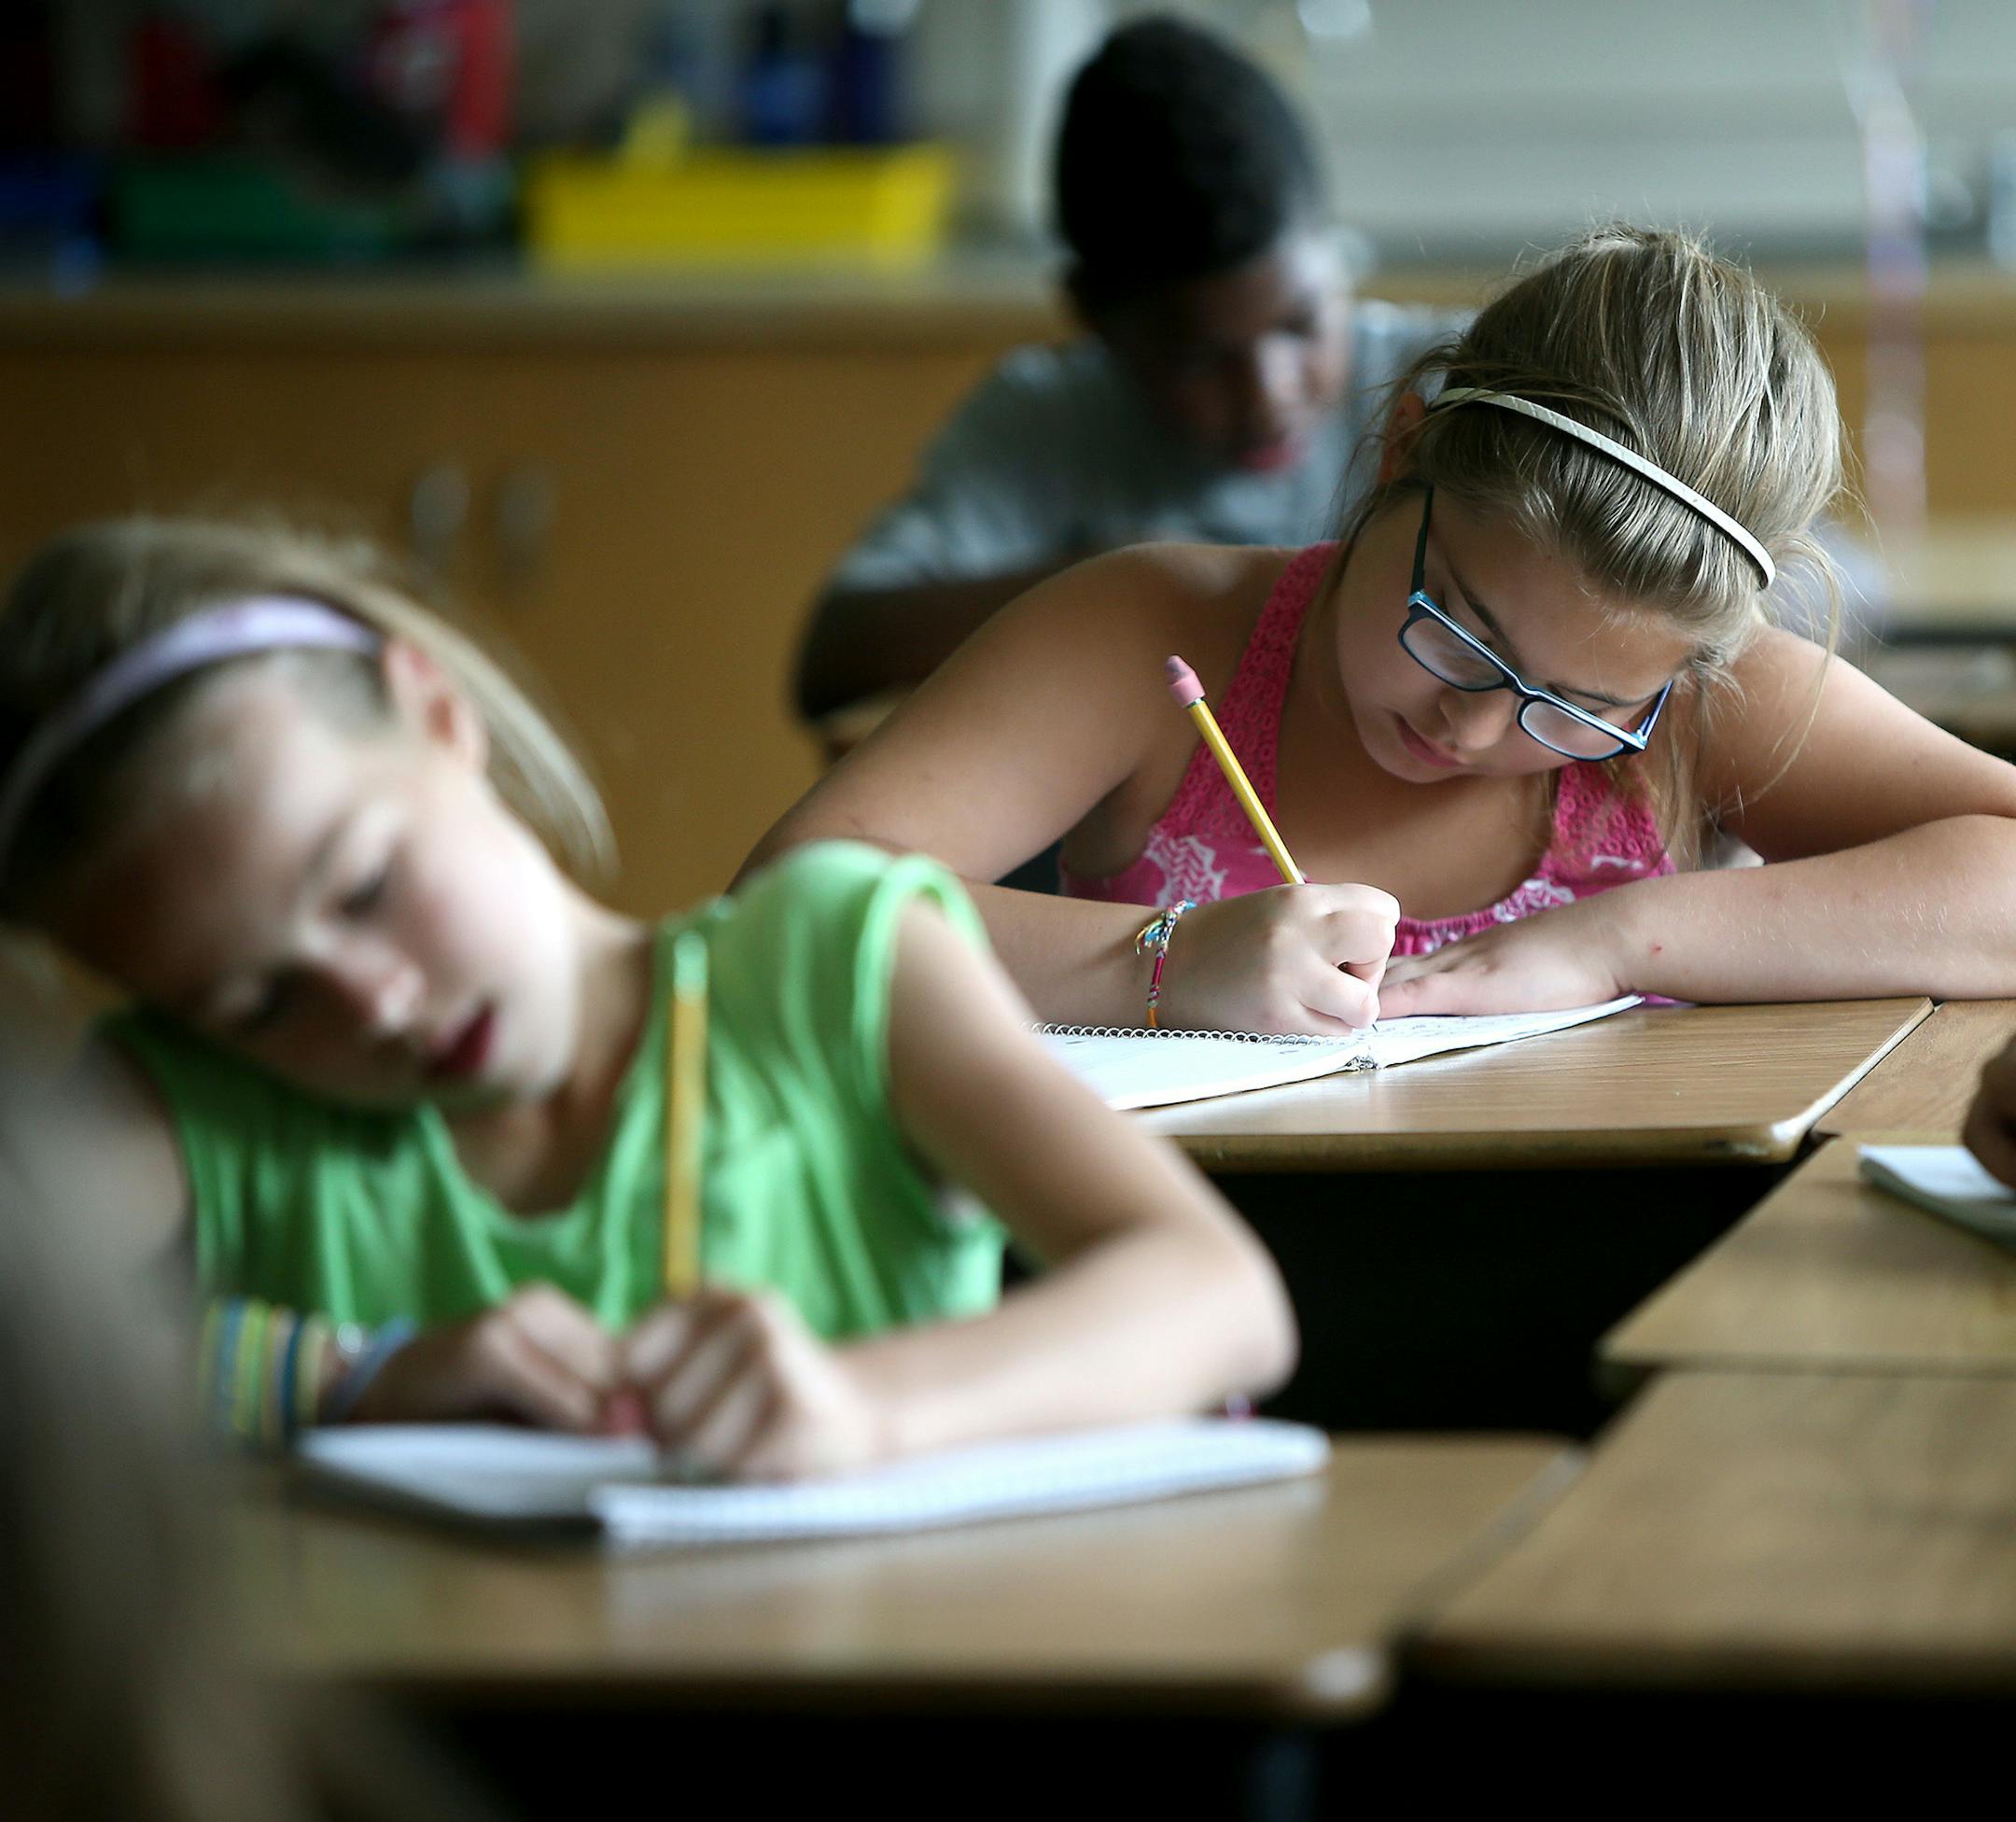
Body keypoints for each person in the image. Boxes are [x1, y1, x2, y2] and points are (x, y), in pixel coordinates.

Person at [0, 516, 1295, 1480]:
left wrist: (867, 1410)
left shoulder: (838, 960)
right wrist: (343, 1377)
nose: (377, 1005)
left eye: (363, 888)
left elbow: (1217, 1299)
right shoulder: (189, 1098)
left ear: (435, 712)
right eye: (258, 1000)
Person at [746, 225, 2016, 1033]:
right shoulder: (1150, 632)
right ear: (1403, 448)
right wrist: (1164, 961)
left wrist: (1612, 940)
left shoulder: (1693, 703)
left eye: (1571, 708)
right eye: (1455, 625)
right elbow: (783, 913)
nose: (1467, 724)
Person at [792, 13, 1463, 726]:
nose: (1268, 397)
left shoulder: (1453, 380)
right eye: (1204, 359)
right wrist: (1119, 588)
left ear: (1332, 251)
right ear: (1094, 317)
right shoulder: (1042, 423)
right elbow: (833, 656)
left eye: (1300, 324)